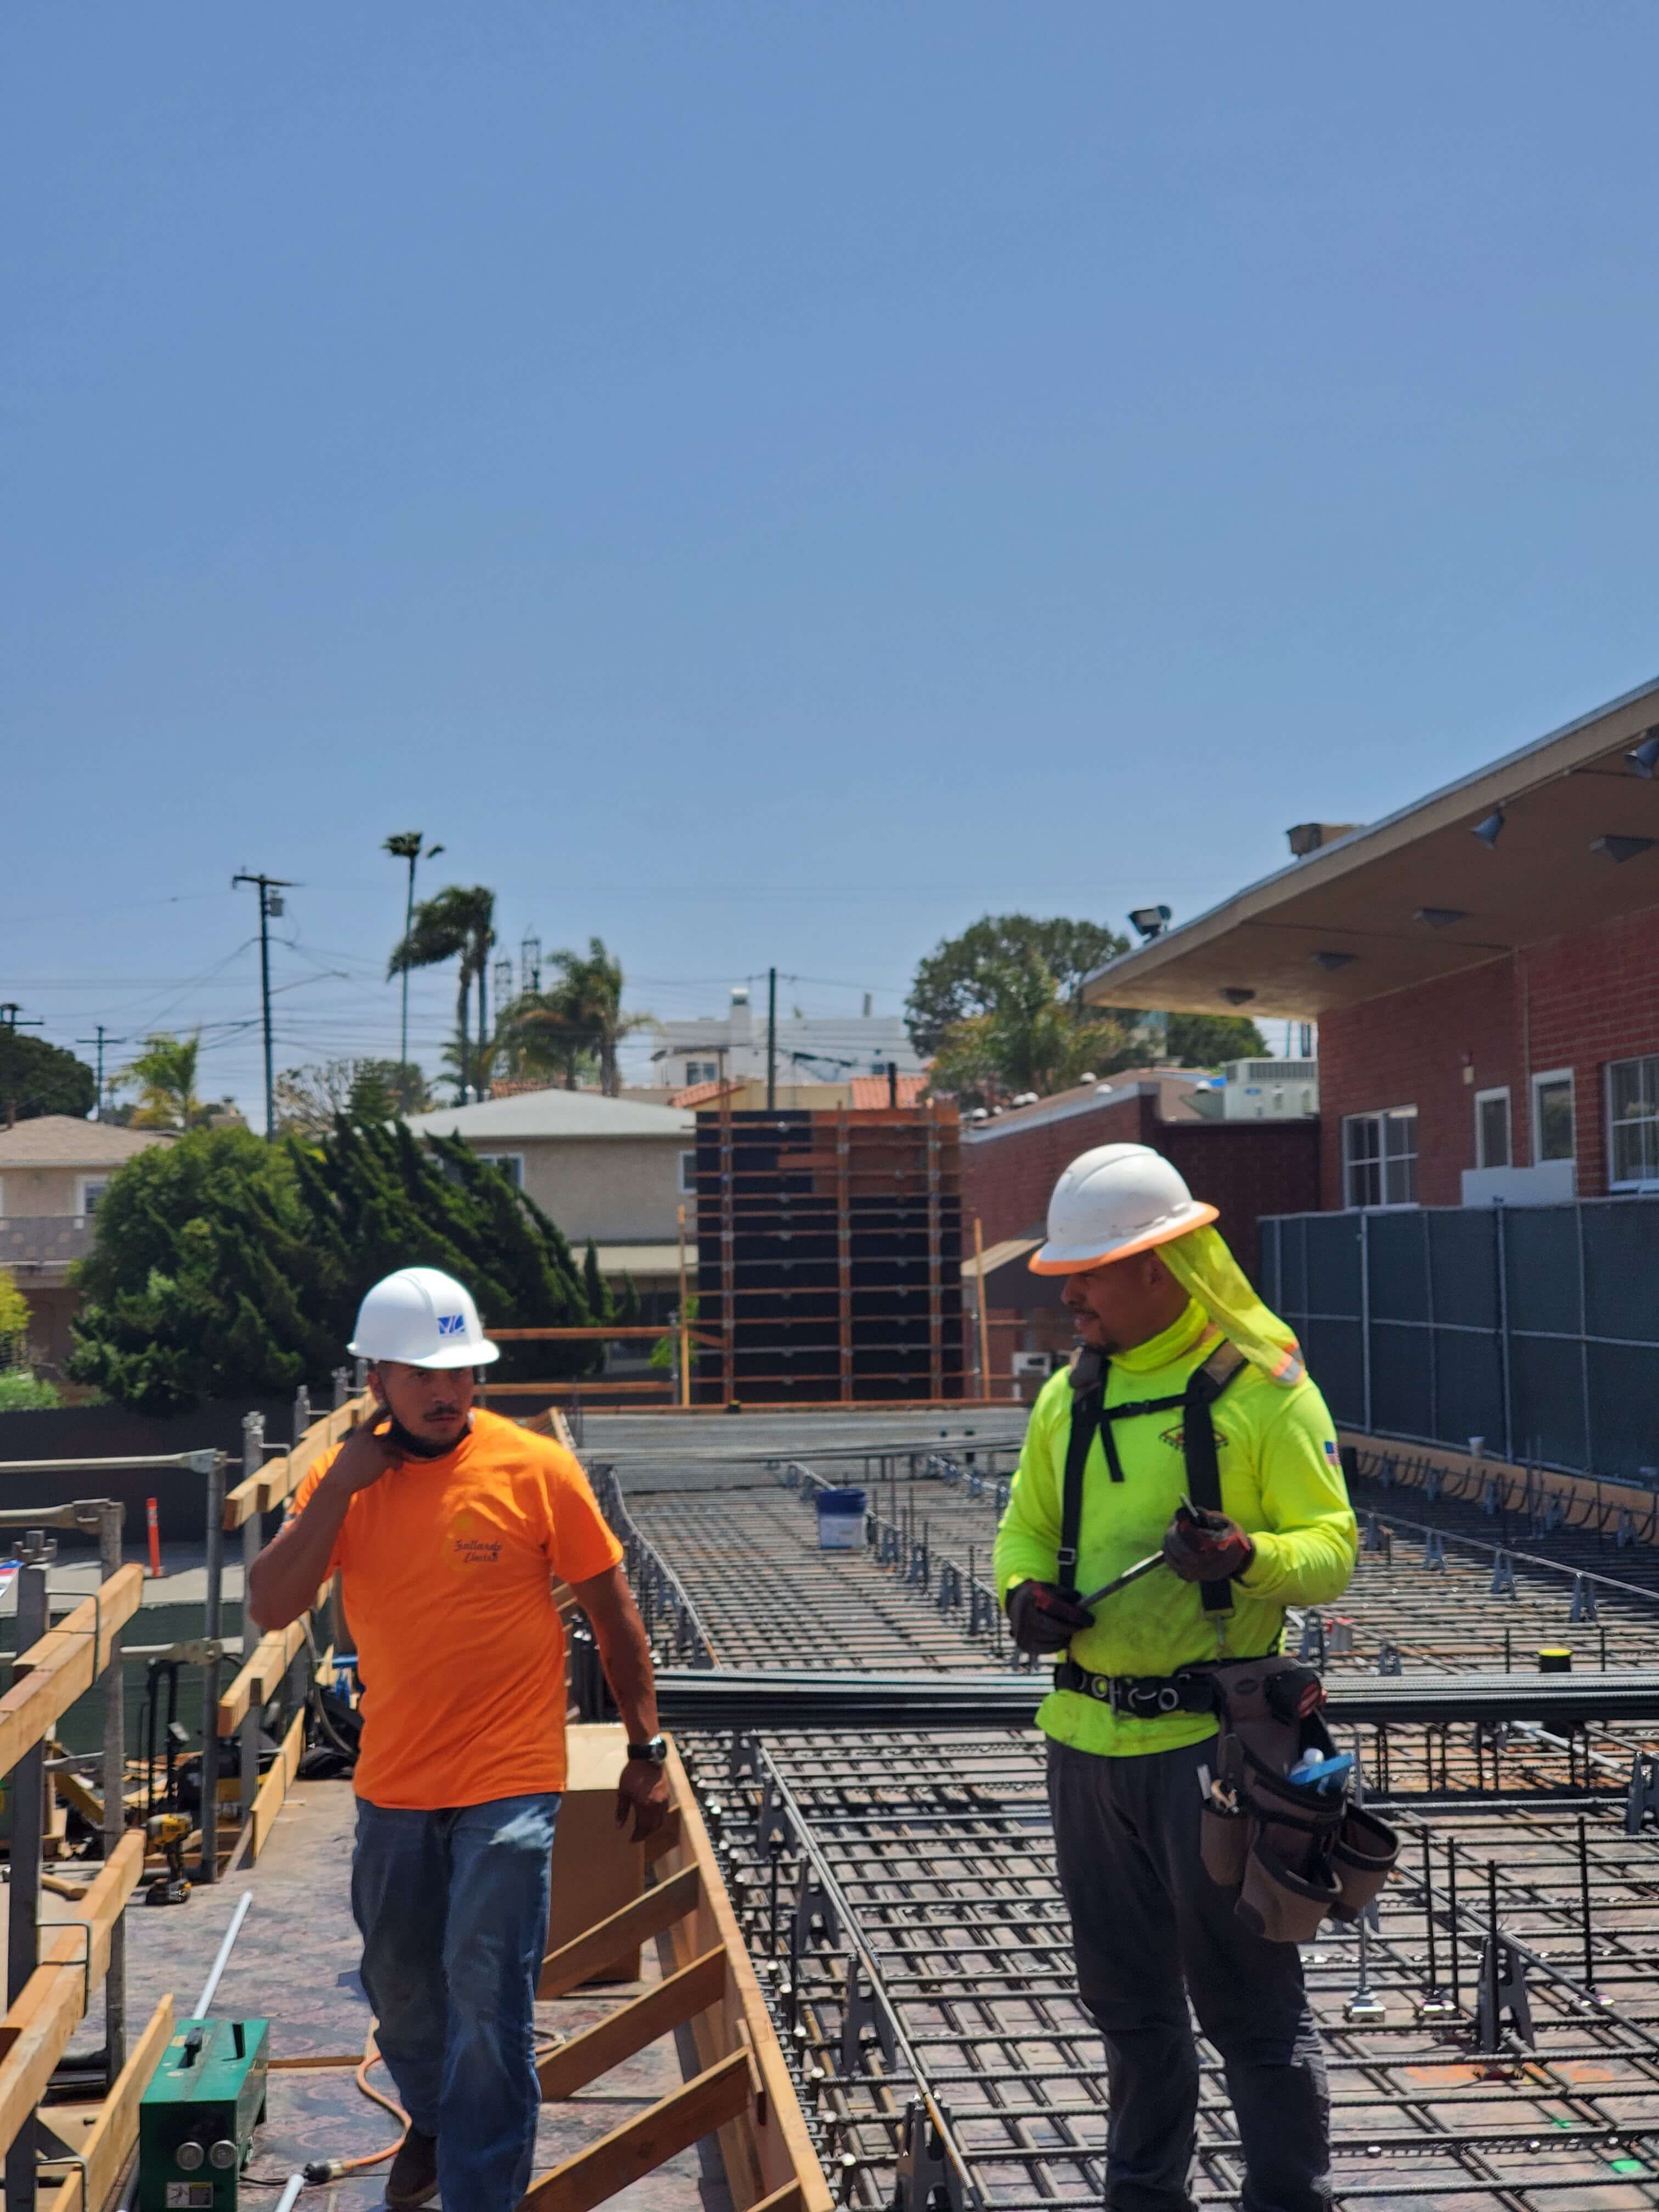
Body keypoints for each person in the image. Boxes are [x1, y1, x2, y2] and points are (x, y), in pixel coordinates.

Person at [247, 1265, 668, 2212]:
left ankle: (481, 2191)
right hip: (394, 1781)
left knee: (489, 1998)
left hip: (511, 1778)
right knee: (398, 1987)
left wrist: (646, 1752)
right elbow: (271, 1605)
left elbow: (615, 1614)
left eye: (462, 1374)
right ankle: (433, 2120)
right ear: (377, 1382)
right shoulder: (343, 1482)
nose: (447, 1392)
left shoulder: (533, 1468)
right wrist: (337, 1491)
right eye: (424, 1375)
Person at [994, 1144, 1357, 2212]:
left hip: (1213, 1753)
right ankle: (1145, 2200)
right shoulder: (1074, 1394)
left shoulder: (1264, 1391)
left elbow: (1333, 1548)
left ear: (1158, 1266)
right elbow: (1023, 1531)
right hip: (1087, 1743)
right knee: (1128, 2006)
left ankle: (1290, 2200)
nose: (1069, 1297)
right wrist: (1024, 1598)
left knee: (1250, 2007)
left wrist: (1249, 1556)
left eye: (1088, 1275)